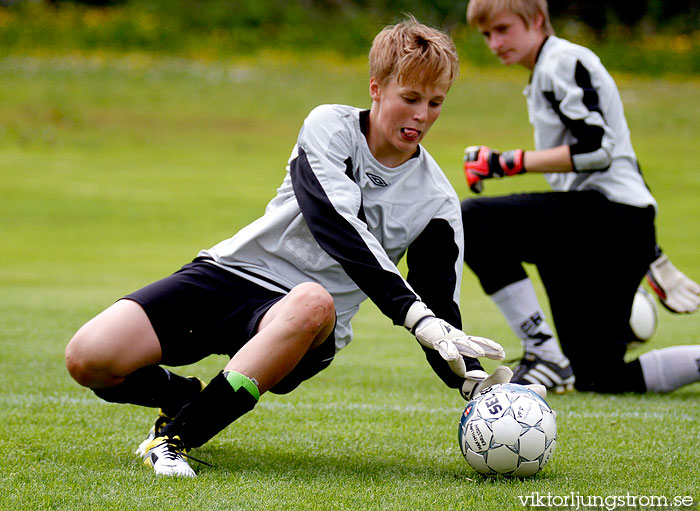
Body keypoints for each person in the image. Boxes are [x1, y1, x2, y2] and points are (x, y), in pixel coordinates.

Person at [65, 17, 512, 478]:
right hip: (233, 273)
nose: (422, 115)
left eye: (436, 103)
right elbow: (336, 224)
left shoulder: (435, 200)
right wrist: (413, 315)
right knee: (88, 357)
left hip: (308, 322)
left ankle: (177, 437)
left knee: (313, 299)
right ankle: (179, 394)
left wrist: (474, 385)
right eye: (411, 98)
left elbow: (439, 308)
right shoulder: (329, 127)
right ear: (376, 89)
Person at [460, 0, 700, 394]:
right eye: (486, 34)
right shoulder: (546, 70)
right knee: (599, 377)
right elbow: (625, 161)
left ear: (537, 21)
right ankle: (555, 360)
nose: (493, 42)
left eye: (502, 29)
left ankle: (543, 353)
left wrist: (505, 162)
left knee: (473, 221)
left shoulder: (562, 61)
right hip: (617, 222)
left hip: (609, 219)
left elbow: (597, 149)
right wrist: (650, 248)